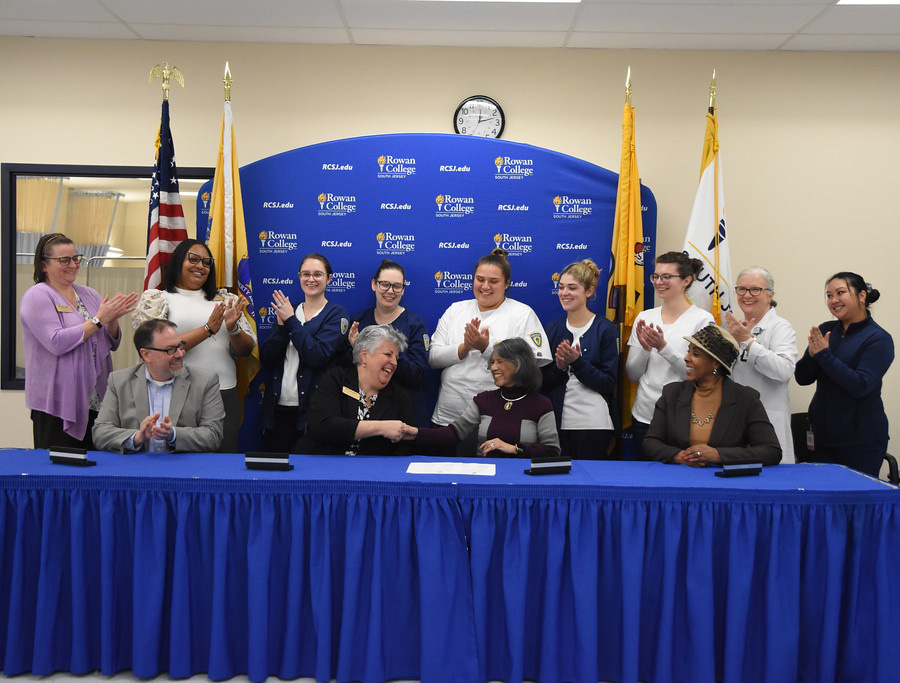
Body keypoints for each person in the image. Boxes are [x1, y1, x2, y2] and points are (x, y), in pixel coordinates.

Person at [132, 239, 256, 452]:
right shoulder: (158, 298)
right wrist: (207, 329)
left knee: (222, 464)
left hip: (223, 393)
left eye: (207, 262)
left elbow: (245, 351)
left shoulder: (226, 299)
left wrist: (233, 329)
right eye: (193, 259)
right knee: (180, 461)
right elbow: (153, 348)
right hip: (177, 392)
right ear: (178, 261)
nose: (200, 266)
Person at [20, 232, 137, 449]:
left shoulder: (89, 294)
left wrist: (112, 320)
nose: (73, 265)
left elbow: (110, 343)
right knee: (60, 470)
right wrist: (99, 319)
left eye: (76, 258)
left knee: (96, 467)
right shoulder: (37, 296)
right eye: (64, 260)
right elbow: (56, 342)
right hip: (57, 401)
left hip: (95, 399)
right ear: (44, 265)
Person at [429, 249, 549, 453]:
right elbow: (433, 358)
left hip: (499, 420)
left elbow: (532, 364)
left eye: (493, 281)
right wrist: (465, 347)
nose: (485, 286)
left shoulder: (522, 314)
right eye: (480, 279)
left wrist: (486, 347)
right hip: (449, 416)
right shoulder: (455, 310)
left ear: (507, 283)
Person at [794, 272, 894, 477]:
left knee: (855, 504)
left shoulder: (878, 339)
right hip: (821, 437)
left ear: (862, 296)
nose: (834, 300)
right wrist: (813, 356)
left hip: (861, 441)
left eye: (840, 293)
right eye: (829, 295)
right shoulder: (826, 329)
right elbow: (802, 378)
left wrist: (824, 355)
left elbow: (860, 385)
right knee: (822, 502)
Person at [643, 323, 782, 466]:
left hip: (723, 482)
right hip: (679, 478)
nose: (686, 358)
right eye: (688, 351)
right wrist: (680, 457)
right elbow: (651, 442)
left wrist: (718, 455)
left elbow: (771, 451)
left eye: (695, 354)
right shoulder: (672, 393)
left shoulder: (746, 398)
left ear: (716, 363)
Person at [405, 338, 560, 459]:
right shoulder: (483, 400)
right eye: (492, 362)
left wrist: (514, 449)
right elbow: (452, 434)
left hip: (522, 478)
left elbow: (552, 452)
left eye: (499, 362)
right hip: (485, 476)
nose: (493, 368)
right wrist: (414, 432)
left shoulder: (541, 404)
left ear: (520, 365)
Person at [625, 251, 714, 455]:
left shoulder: (702, 320)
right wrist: (646, 349)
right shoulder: (645, 317)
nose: (659, 282)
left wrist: (663, 347)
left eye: (667, 277)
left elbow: (698, 375)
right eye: (655, 276)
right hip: (645, 416)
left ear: (686, 280)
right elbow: (632, 374)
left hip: (684, 419)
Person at [260, 253, 349, 452]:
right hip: (279, 410)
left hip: (314, 413)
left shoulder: (337, 314)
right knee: (278, 476)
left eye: (318, 274)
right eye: (305, 274)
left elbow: (317, 356)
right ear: (299, 277)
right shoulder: (289, 310)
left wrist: (290, 321)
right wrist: (283, 328)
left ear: (329, 278)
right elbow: (268, 359)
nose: (311, 279)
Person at [93, 319, 225, 453]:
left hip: (185, 469)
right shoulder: (119, 381)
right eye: (170, 349)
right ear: (146, 354)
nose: (180, 354)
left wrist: (173, 435)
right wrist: (136, 438)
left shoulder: (205, 381)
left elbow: (213, 435)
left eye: (180, 346)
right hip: (136, 469)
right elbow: (100, 433)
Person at [541, 259, 618, 459]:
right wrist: (559, 367)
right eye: (561, 287)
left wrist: (578, 362)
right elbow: (541, 384)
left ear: (589, 291)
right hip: (556, 422)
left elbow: (609, 383)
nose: (564, 293)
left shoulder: (605, 329)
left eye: (572, 288)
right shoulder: (552, 329)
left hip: (593, 424)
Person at [724, 267, 797, 462]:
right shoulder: (735, 328)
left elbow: (784, 370)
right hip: (736, 422)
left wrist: (748, 342)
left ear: (770, 294)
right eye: (741, 289)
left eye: (755, 289)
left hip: (769, 422)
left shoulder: (781, 327)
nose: (747, 295)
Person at [304, 325, 413, 455]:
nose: (394, 362)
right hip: (323, 468)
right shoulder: (336, 380)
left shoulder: (398, 396)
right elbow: (324, 426)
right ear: (364, 356)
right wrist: (381, 427)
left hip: (373, 473)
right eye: (388, 354)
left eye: (396, 358)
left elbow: (405, 446)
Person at [346, 259, 429, 425]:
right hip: (363, 414)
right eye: (384, 284)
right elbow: (346, 371)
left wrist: (389, 354)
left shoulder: (415, 325)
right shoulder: (359, 321)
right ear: (374, 284)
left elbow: (417, 375)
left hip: (402, 414)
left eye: (397, 286)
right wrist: (356, 350)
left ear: (403, 290)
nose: (390, 291)